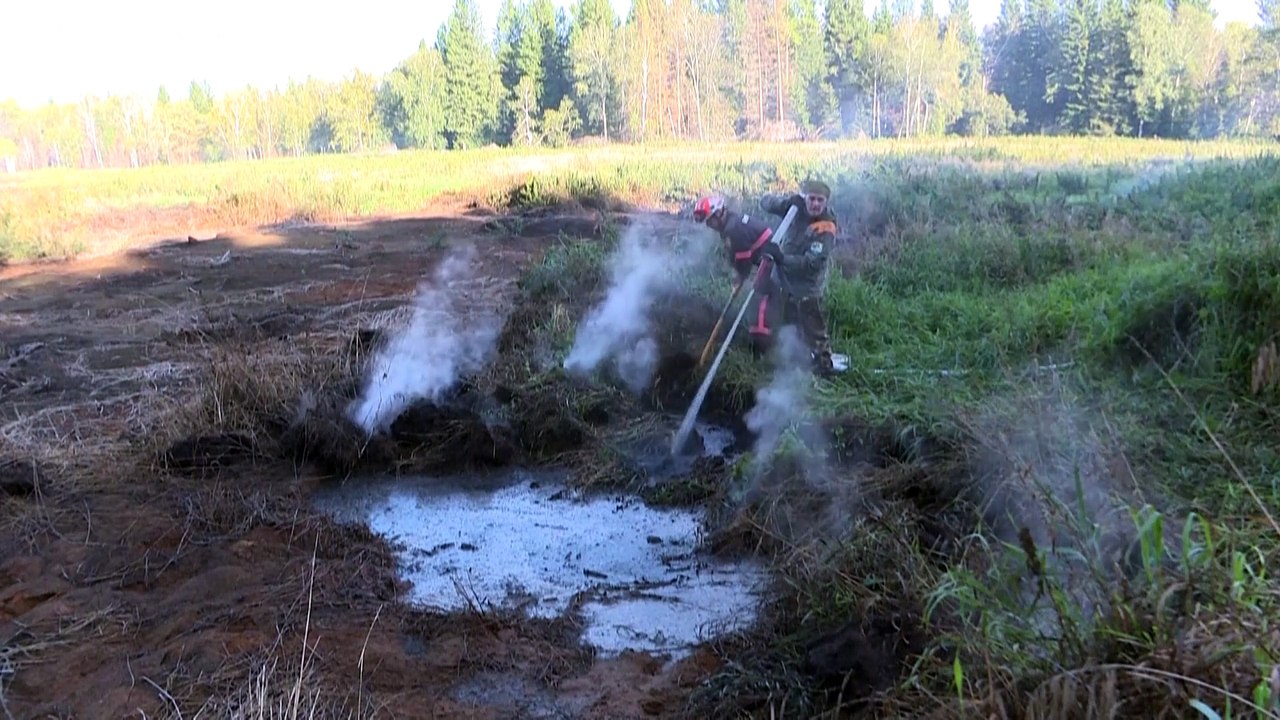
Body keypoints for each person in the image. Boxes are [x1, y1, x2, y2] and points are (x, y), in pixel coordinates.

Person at [759, 179, 838, 376]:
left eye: (820, 200)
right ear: (805, 198)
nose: (816, 204)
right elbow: (765, 202)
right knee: (789, 326)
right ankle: (794, 363)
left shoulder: (825, 227)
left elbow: (811, 265)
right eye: (812, 199)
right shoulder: (795, 208)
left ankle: (824, 369)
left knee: (814, 331)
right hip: (784, 283)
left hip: (807, 289)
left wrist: (781, 258)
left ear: (826, 202)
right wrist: (789, 202)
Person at [691, 195, 785, 354]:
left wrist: (739, 278)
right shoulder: (730, 223)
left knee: (760, 299)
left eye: (710, 221)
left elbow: (743, 260)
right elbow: (737, 255)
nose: (709, 225)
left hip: (771, 261)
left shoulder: (733, 229)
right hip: (762, 259)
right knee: (759, 297)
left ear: (719, 213)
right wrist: (738, 276)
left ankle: (761, 347)